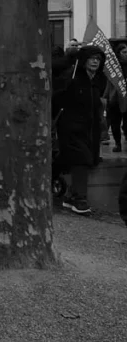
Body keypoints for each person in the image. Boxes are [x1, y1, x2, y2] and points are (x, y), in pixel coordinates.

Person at [53, 45, 105, 216]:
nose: (95, 61)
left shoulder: (97, 80)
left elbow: (96, 104)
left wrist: (102, 124)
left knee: (71, 158)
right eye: (92, 58)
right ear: (84, 60)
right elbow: (56, 98)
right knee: (82, 159)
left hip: (90, 128)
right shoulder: (72, 76)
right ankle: (79, 199)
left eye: (98, 58)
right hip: (70, 126)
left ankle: (51, 178)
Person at [104, 41, 127, 153]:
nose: (126, 54)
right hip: (115, 99)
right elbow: (109, 82)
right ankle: (118, 143)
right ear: (119, 53)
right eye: (124, 52)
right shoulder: (113, 66)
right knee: (115, 123)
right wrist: (106, 97)